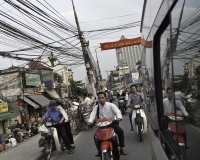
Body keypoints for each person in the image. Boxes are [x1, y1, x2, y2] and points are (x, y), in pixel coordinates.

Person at [87, 92, 127, 158]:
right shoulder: (96, 107)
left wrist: (118, 118)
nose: (101, 99)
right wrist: (90, 121)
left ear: (106, 98)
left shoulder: (111, 105)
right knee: (95, 137)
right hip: (101, 126)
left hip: (111, 124)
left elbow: (118, 112)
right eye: (99, 98)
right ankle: (99, 150)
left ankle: (122, 148)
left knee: (120, 131)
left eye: (102, 97)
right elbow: (92, 115)